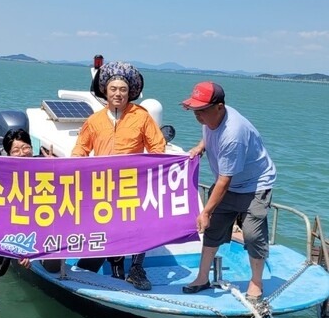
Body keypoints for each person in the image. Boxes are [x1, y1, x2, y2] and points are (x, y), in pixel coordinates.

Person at [71, 61, 166, 290]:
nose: (118, 94)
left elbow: (158, 147)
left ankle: (136, 268)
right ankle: (115, 270)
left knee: (140, 227)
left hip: (134, 184)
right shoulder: (94, 121)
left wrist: (150, 170)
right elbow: (80, 150)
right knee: (110, 226)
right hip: (102, 185)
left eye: (123, 89)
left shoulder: (141, 116)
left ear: (130, 92)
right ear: (105, 90)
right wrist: (70, 167)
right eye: (113, 89)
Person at [181, 81, 276, 301]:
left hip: (255, 185)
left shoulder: (234, 133)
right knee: (213, 230)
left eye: (202, 110)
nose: (198, 115)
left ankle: (256, 282)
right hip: (230, 184)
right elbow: (209, 134)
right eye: (195, 110)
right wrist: (200, 147)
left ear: (219, 107)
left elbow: (224, 180)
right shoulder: (210, 118)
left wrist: (205, 211)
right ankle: (202, 277)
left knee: (252, 234)